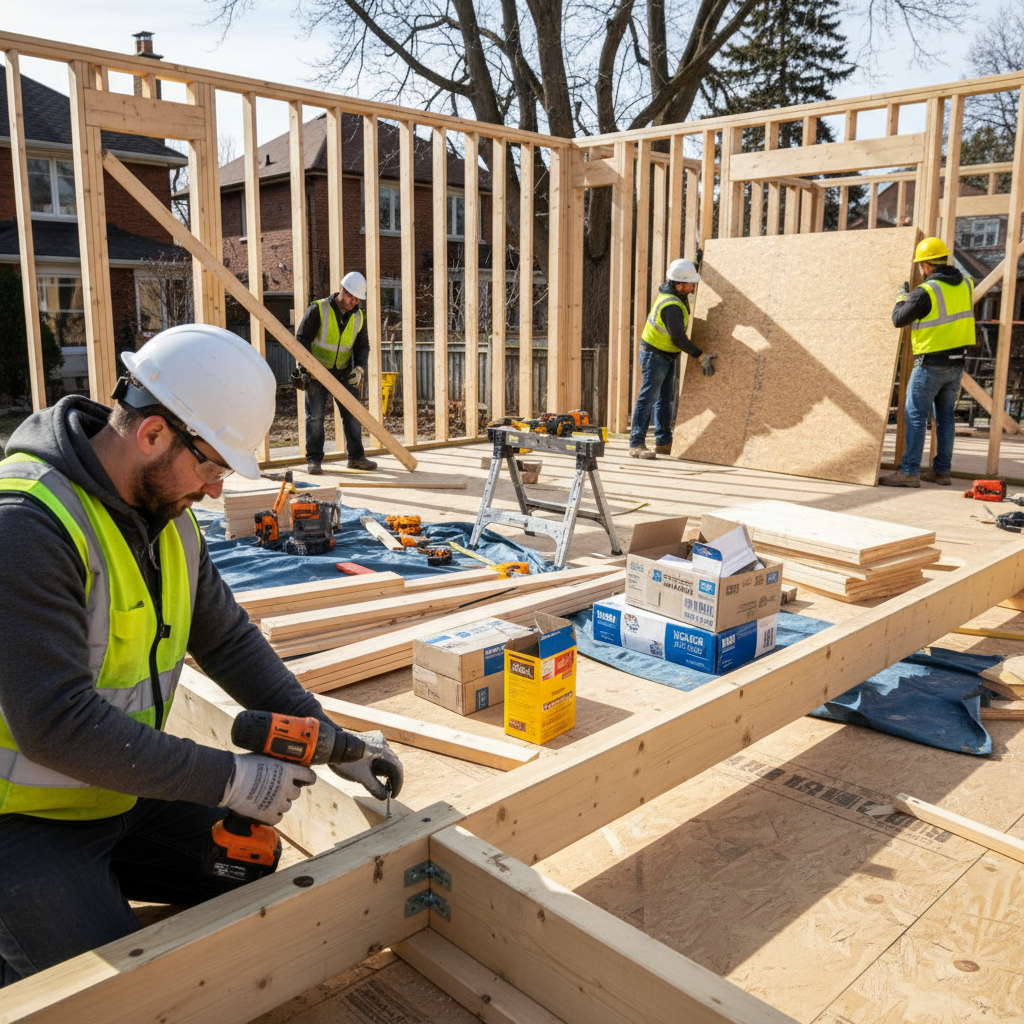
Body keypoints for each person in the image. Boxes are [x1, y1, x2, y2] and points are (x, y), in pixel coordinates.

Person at [0, 324, 403, 985]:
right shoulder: (26, 522)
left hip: (112, 791)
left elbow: (228, 638)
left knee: (243, 860)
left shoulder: (168, 518)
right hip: (19, 819)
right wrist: (233, 779)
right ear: (153, 434)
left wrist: (337, 743)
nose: (217, 489)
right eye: (213, 464)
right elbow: (54, 724)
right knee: (114, 998)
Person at [880, 237, 976, 487]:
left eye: (921, 265)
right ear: (943, 259)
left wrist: (903, 297)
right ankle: (942, 471)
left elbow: (899, 319)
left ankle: (910, 472)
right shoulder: (966, 283)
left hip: (930, 364)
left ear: (926, 265)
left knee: (915, 417)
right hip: (957, 364)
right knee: (945, 419)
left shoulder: (926, 291)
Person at [629, 258, 717, 459]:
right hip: (655, 355)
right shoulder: (671, 306)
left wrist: (695, 263)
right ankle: (636, 444)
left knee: (665, 399)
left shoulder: (675, 293)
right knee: (648, 398)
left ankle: (663, 442)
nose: (693, 287)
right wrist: (700, 355)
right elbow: (678, 338)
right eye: (690, 284)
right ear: (679, 285)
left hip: (666, 354)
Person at [296, 270, 376, 474]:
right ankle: (314, 460)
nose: (354, 302)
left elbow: (362, 346)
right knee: (315, 417)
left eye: (358, 299)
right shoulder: (318, 309)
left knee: (352, 415)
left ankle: (356, 458)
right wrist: (304, 368)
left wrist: (359, 368)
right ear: (342, 290)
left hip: (343, 371)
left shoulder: (358, 316)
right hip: (316, 373)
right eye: (351, 297)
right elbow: (301, 340)